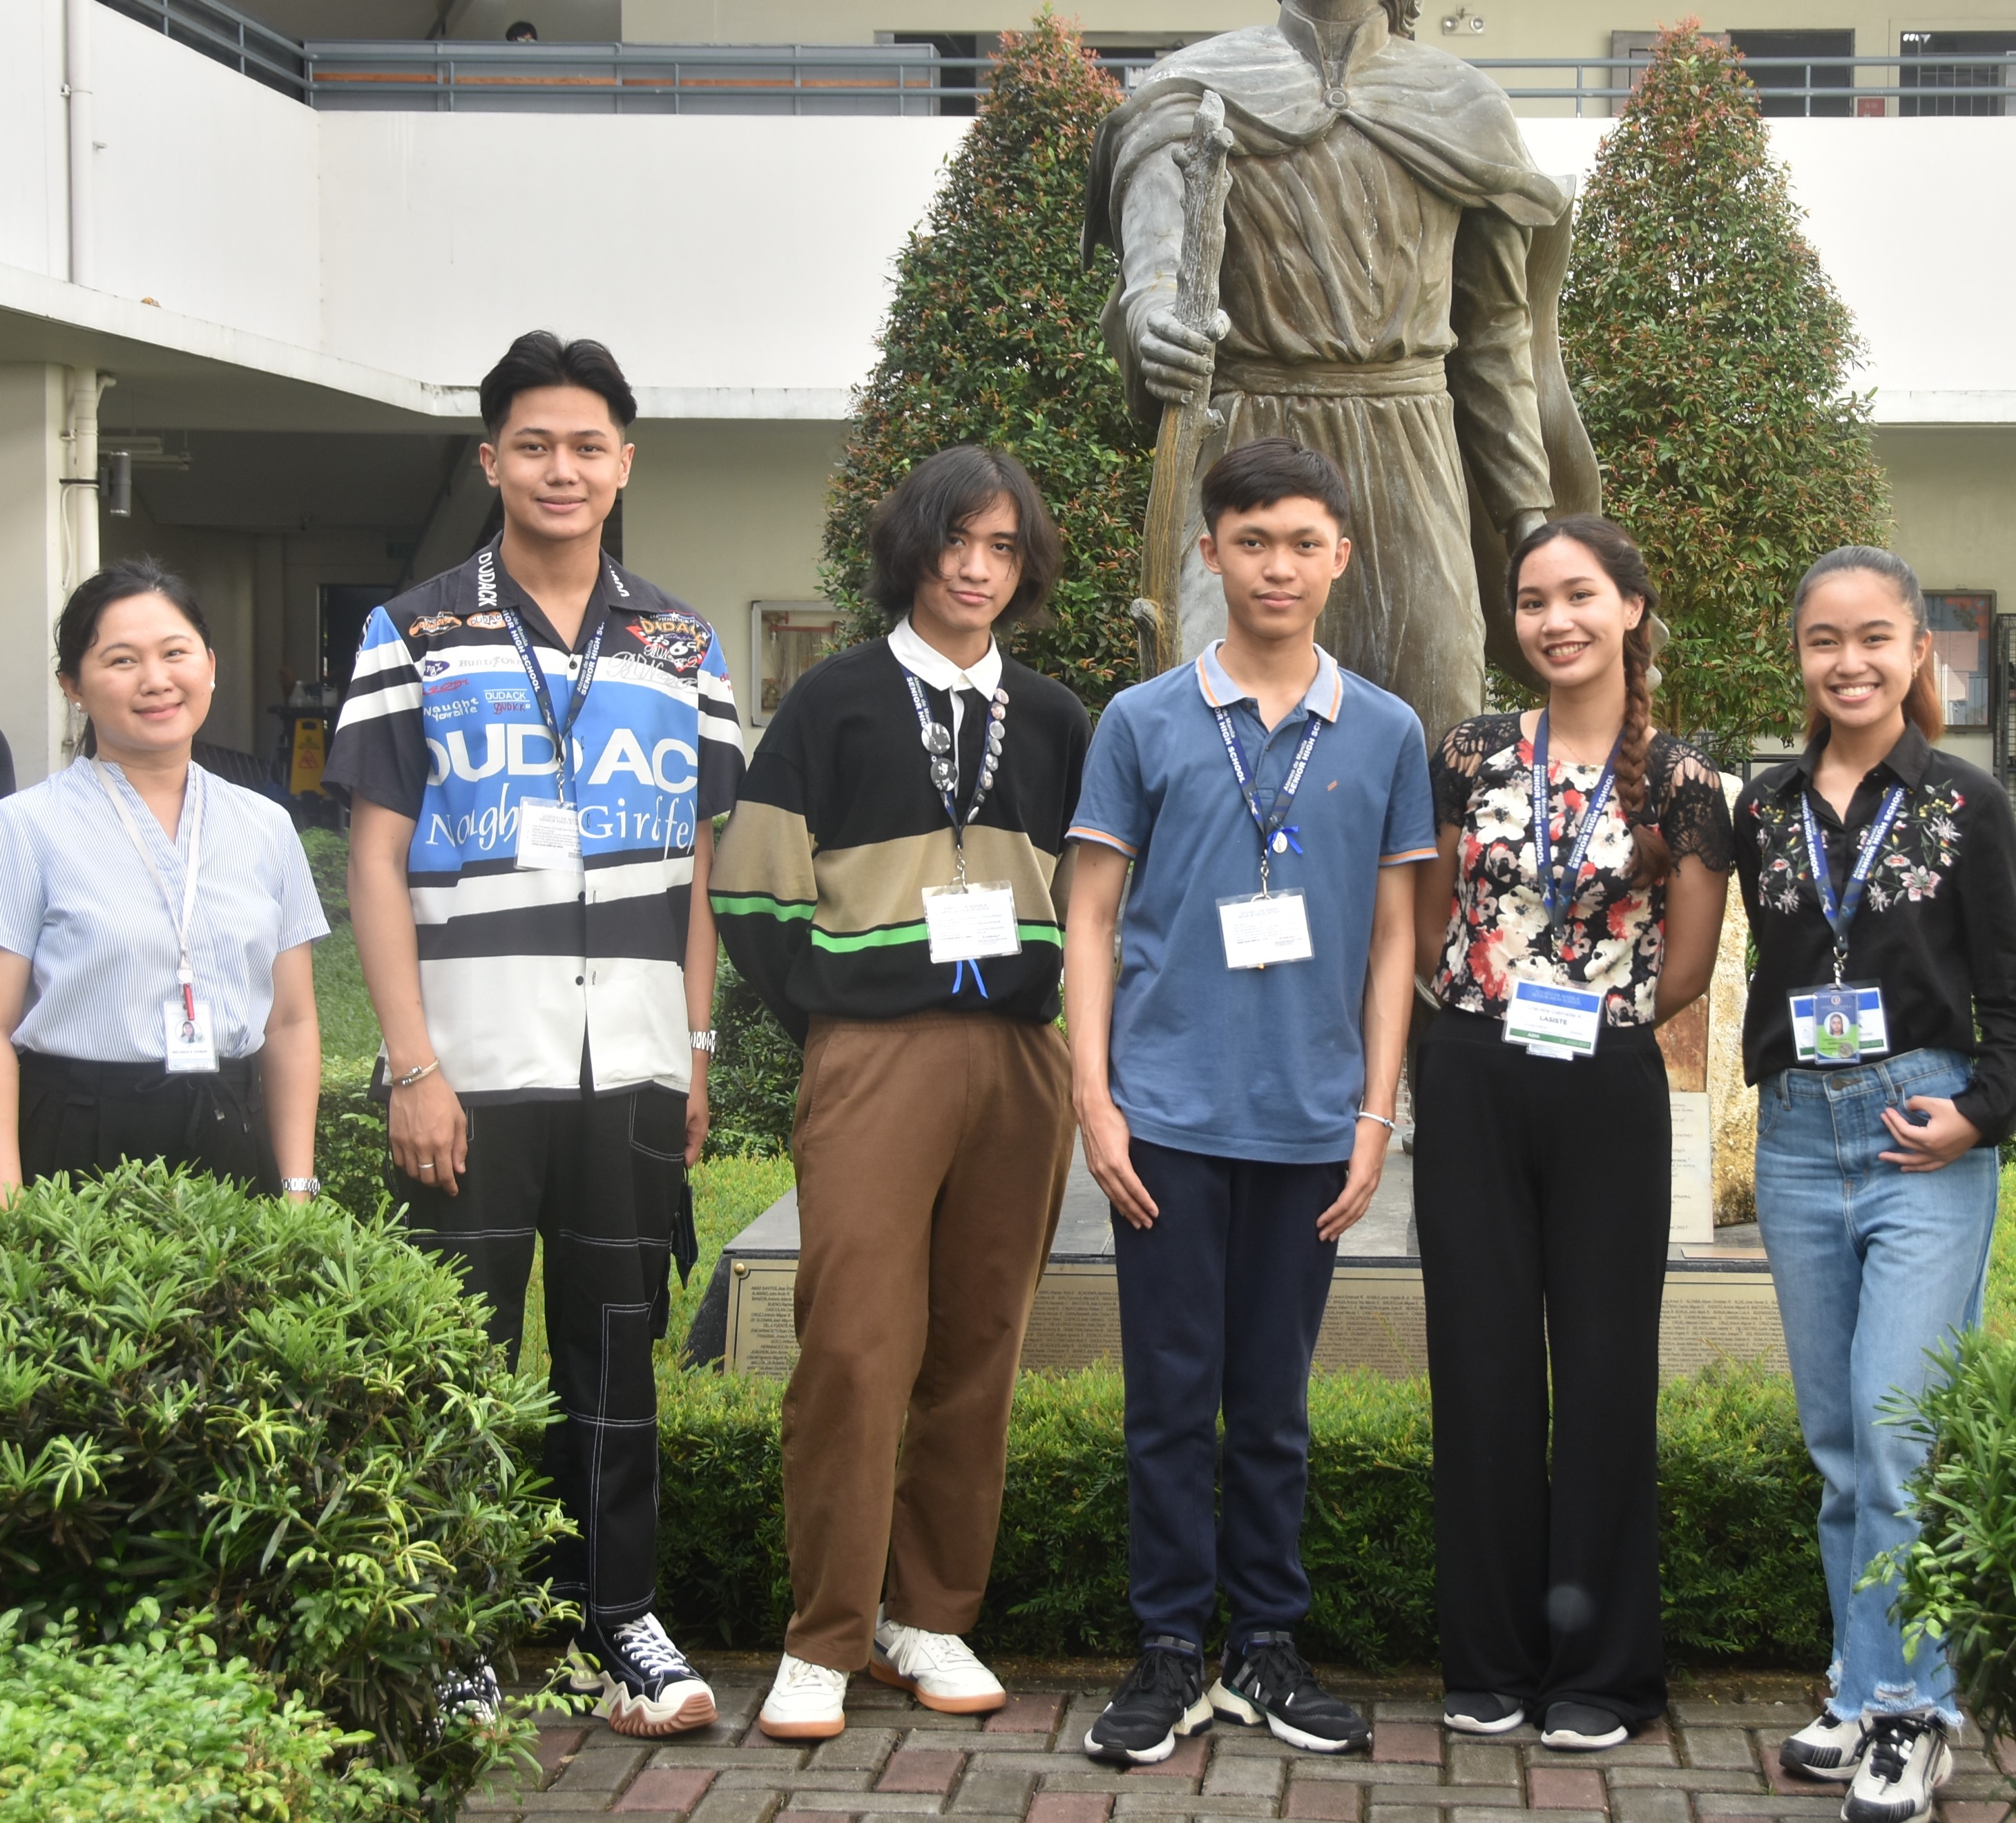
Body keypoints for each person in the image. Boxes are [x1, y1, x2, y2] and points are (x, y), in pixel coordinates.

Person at [327, 331, 744, 1735]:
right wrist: (411, 1065)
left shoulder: (684, 646)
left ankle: (616, 1614)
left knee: (616, 1353)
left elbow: (696, 867)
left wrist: (692, 1050)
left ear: (624, 464)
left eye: (588, 445)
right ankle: (450, 1623)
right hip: (472, 1064)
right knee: (454, 1357)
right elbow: (374, 860)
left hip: (627, 1063)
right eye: (534, 444)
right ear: (489, 459)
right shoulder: (415, 633)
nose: (561, 469)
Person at [712, 447, 1091, 1739]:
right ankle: (822, 1633)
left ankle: (926, 1615)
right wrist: (841, 998)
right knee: (856, 1344)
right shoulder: (833, 700)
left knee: (980, 1344)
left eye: (1001, 548)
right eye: (955, 544)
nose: (977, 569)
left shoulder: (1052, 719)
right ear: (912, 552)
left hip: (1019, 1060)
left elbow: (1096, 905)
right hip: (876, 1054)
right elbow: (753, 892)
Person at [1065, 437, 1433, 1765]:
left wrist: (1374, 1115)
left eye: (1302, 542)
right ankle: (1167, 1651)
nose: (1276, 566)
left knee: (1273, 1401)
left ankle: (1268, 1647)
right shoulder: (1141, 720)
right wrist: (1094, 1104)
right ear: (1209, 553)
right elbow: (1090, 918)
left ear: (1340, 556)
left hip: (1309, 1122)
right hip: (1163, 1116)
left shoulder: (1383, 730)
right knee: (1169, 1397)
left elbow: (1397, 939)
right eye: (1251, 540)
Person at [1087, 0, 1594, 745]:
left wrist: (1528, 521)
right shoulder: (1191, 92)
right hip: (1247, 441)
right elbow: (1154, 267)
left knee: (1439, 727)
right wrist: (1153, 316)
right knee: (1222, 727)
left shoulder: (1462, 106)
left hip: (1412, 448)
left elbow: (1491, 345)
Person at [1735, 546, 2016, 1823]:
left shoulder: (1965, 806)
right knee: (1836, 1445)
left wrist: (1973, 1117)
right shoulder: (1763, 810)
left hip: (1917, 1129)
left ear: (1919, 652)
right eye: (1824, 639)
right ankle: (1860, 1688)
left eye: (1875, 637)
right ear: (1798, 655)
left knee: (1901, 1430)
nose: (1849, 662)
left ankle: (1917, 1714)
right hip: (1798, 1137)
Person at [1410, 517, 1732, 1751]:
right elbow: (1437, 910)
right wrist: (1485, 1021)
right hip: (1474, 1071)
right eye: (1533, 600)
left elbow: (1689, 965)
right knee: (1479, 1366)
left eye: (1579, 596)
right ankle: (1488, 1660)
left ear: (1631, 611)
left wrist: (1590, 1024)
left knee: (1603, 1375)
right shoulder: (1473, 752)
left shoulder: (1688, 783)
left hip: (1603, 1081)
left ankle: (1603, 1674)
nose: (1554, 620)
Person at [0, 559, 327, 1202]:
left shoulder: (265, 825)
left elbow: (290, 1022)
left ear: (209, 664)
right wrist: (9, 1202)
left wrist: (297, 1187)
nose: (156, 680)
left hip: (229, 1127)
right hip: (75, 1135)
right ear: (73, 685)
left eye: (175, 652)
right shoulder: (24, 826)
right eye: (122, 660)